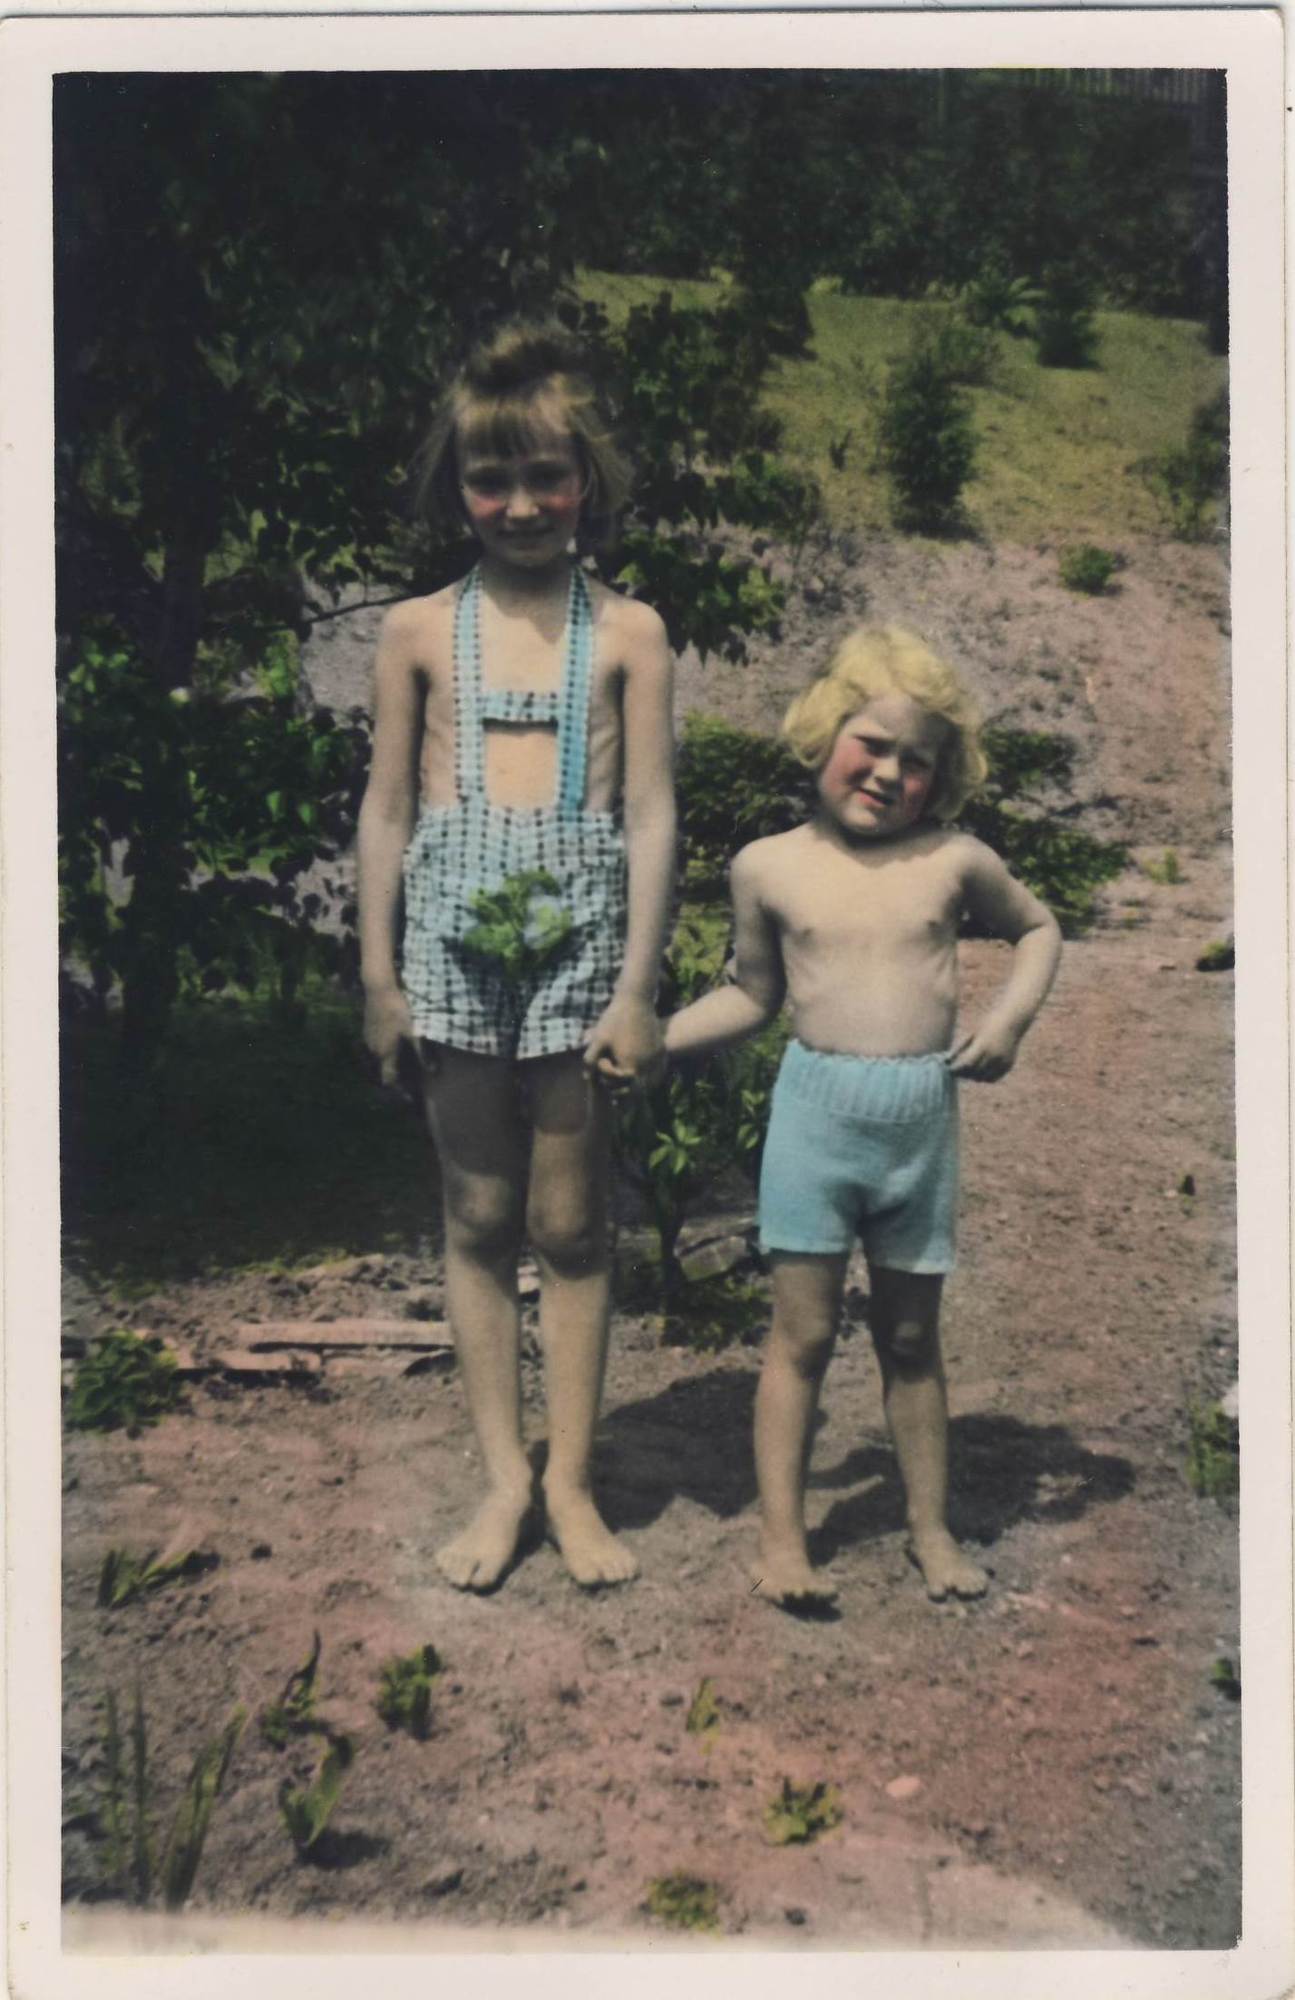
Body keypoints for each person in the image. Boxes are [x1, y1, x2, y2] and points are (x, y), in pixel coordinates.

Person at [357, 322, 675, 1592]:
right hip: (447, 949)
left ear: (586, 476)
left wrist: (637, 986)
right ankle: (502, 1475)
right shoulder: (416, 630)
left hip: (580, 953)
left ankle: (571, 1480)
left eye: (547, 475)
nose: (523, 505)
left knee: (570, 1221)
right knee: (480, 1214)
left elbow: (650, 814)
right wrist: (378, 977)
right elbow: (387, 808)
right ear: (459, 489)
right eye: (493, 480)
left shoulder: (632, 633)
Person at [664, 627, 1061, 1610]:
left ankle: (929, 1528)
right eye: (871, 744)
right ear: (822, 734)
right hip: (813, 1125)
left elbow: (1038, 928)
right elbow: (750, 994)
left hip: (916, 1128)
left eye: (915, 761)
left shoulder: (954, 860)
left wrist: (1006, 1021)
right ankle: (781, 1540)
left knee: (911, 1339)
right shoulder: (766, 866)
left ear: (941, 777)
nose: (888, 773)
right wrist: (657, 1039)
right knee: (799, 1336)